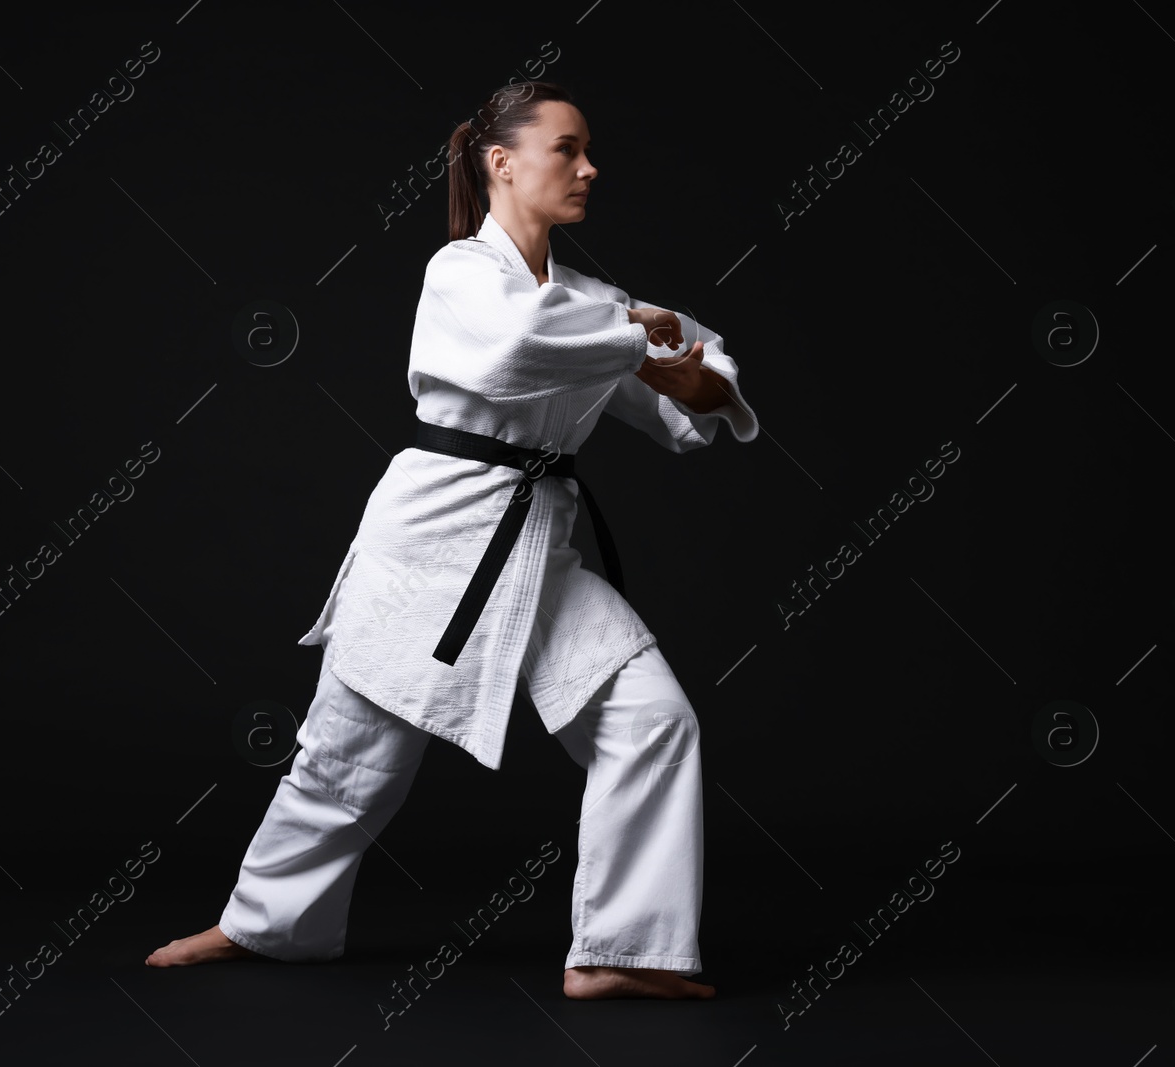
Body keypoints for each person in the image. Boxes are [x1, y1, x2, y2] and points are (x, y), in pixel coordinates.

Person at [147, 80, 758, 1000]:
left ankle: (618, 950)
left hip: (536, 552)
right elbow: (519, 349)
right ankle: (263, 927)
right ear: (501, 163)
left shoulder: (593, 301)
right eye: (568, 148)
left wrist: (682, 368)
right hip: (434, 542)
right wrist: (643, 340)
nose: (589, 167)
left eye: (590, 150)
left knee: (653, 720)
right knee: (349, 756)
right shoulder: (462, 274)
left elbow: (699, 378)